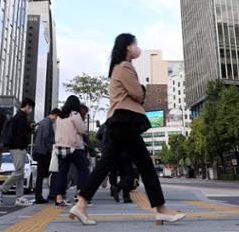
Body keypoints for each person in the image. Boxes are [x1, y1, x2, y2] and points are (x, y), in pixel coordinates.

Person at [70, 33, 185, 226]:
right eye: (135, 44)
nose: (138, 48)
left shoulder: (116, 68)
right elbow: (138, 95)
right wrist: (142, 89)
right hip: (124, 121)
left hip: (117, 122)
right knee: (146, 167)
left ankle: (80, 204)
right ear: (127, 47)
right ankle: (162, 210)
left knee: (105, 165)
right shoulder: (125, 66)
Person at [0, 98, 35, 207]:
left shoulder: (19, 117)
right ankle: (0, 190)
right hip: (18, 148)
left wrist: (29, 128)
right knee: (19, 172)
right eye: (31, 108)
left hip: (16, 147)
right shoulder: (21, 117)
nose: (31, 110)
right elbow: (20, 135)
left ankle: (19, 197)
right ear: (27, 106)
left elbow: (20, 132)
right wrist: (22, 145)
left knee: (20, 173)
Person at [53, 96, 90, 207]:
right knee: (84, 170)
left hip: (60, 148)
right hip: (74, 148)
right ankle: (79, 196)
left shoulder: (59, 116)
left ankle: (59, 199)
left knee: (62, 173)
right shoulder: (75, 114)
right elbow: (82, 130)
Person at [33, 108, 61, 204]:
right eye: (57, 117)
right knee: (51, 173)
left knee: (41, 175)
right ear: (55, 115)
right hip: (43, 152)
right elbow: (46, 138)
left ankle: (40, 195)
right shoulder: (47, 122)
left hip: (40, 151)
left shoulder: (43, 122)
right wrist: (51, 147)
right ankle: (44, 195)